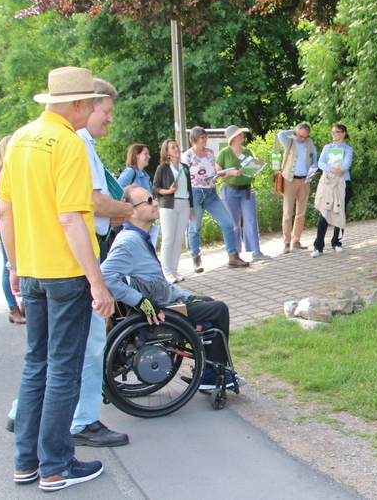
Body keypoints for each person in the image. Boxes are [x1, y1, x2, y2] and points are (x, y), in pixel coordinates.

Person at [0, 66, 113, 490]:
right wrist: (97, 283)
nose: (98, 113)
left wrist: (13, 265)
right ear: (80, 103)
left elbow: (4, 212)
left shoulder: (21, 139)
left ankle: (26, 462)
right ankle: (56, 465)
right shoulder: (67, 144)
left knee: (36, 366)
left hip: (30, 269)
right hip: (65, 272)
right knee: (64, 368)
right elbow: (70, 217)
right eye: (95, 105)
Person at [101, 186, 245, 391]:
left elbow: (156, 281)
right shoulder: (129, 241)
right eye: (149, 201)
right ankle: (214, 376)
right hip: (160, 309)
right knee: (219, 309)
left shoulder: (138, 236)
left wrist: (187, 295)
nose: (156, 203)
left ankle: (210, 372)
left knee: (207, 304)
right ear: (132, 211)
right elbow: (105, 276)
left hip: (164, 299)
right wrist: (141, 302)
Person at [69, 78, 132, 448]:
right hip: (82, 252)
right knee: (91, 342)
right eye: (106, 112)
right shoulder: (78, 144)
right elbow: (92, 202)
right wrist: (128, 209)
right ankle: (83, 421)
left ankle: (23, 410)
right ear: (88, 107)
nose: (110, 120)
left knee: (57, 345)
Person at [183, 126, 249, 269]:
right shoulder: (188, 155)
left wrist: (226, 173)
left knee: (227, 222)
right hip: (195, 192)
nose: (205, 140)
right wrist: (187, 201)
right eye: (202, 137)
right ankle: (196, 257)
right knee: (195, 228)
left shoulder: (211, 153)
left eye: (206, 137)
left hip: (211, 192)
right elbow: (184, 178)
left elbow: (215, 172)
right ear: (195, 138)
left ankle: (233, 256)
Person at [0, 135, 26, 324]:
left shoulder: (18, 171)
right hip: (6, 226)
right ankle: (13, 307)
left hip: (21, 225)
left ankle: (24, 304)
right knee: (9, 266)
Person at [216, 125, 269, 262]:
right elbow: (218, 173)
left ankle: (256, 251)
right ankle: (235, 253)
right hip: (230, 190)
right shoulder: (224, 153)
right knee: (233, 222)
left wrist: (257, 163)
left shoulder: (247, 151)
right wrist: (231, 173)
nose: (242, 136)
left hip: (246, 190)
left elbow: (252, 168)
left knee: (251, 220)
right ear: (233, 137)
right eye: (240, 134)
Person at [153, 139, 195, 282]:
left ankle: (175, 269)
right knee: (168, 239)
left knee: (178, 240)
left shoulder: (184, 167)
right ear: (167, 152)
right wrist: (168, 191)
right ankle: (166, 271)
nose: (176, 149)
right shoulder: (163, 168)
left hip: (184, 204)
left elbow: (189, 188)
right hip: (169, 204)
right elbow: (155, 188)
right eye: (173, 147)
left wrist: (191, 207)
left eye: (177, 146)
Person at [312, 124, 354, 257]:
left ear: (343, 133)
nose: (334, 134)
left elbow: (346, 165)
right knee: (324, 213)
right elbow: (321, 163)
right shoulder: (327, 148)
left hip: (343, 184)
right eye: (332, 132)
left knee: (339, 212)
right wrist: (333, 169)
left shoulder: (348, 149)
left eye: (337, 132)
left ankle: (336, 242)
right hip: (328, 184)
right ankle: (318, 246)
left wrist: (334, 167)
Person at [278, 123, 318, 253]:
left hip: (305, 180)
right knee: (288, 212)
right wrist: (292, 132)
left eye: (305, 136)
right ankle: (286, 242)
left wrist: (312, 173)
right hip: (290, 179)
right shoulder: (289, 140)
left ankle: (296, 240)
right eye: (300, 136)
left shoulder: (309, 142)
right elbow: (280, 134)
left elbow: (315, 160)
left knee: (301, 212)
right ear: (297, 132)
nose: (302, 139)